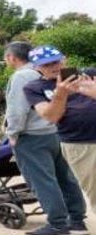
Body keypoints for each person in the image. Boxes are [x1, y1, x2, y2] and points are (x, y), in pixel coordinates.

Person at [5, 43, 88, 235]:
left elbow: (17, 110)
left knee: (43, 180)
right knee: (65, 178)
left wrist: (12, 133)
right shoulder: (67, 76)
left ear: (11, 58)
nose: (54, 66)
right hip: (57, 133)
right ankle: (76, 220)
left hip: (32, 136)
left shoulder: (21, 77)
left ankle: (58, 224)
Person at [23, 50, 96, 209]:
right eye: (46, 64)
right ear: (37, 68)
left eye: (56, 62)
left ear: (64, 60)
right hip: (80, 144)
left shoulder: (89, 74)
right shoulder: (34, 87)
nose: (53, 67)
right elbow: (51, 117)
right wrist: (61, 95)